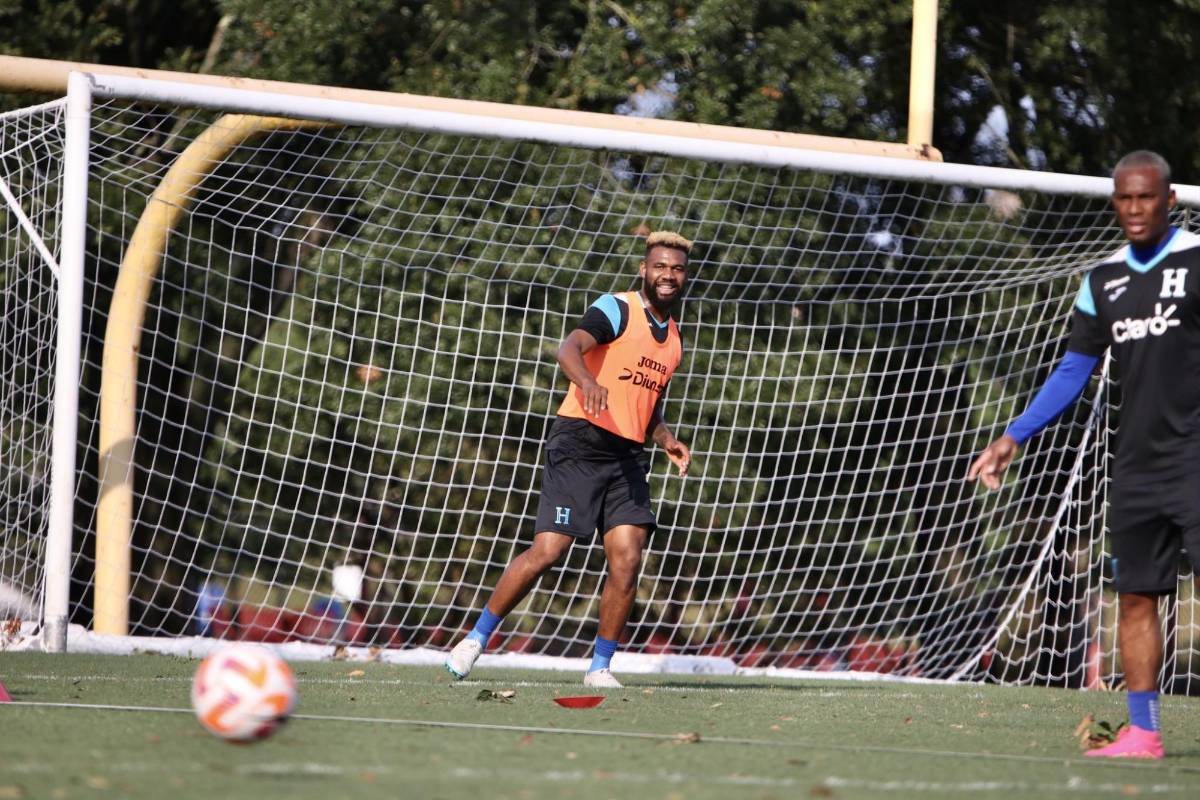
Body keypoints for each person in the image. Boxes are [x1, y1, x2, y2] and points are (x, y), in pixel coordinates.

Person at [968, 150, 1200, 760]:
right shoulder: (1103, 281)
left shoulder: (1197, 262)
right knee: (1134, 599)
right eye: (1123, 198)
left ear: (1168, 200)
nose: (1133, 209)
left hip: (1196, 460)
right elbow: (1074, 369)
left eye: (1145, 197)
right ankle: (1144, 733)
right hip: (1137, 469)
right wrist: (1013, 435)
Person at [445, 231, 693, 688]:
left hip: (627, 455)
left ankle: (599, 668)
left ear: (685, 275)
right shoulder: (617, 308)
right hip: (579, 441)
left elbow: (645, 401)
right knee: (549, 551)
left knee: (627, 560)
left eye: (676, 268)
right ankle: (475, 640)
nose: (668, 275)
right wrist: (588, 383)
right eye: (660, 266)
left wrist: (664, 437)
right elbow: (568, 349)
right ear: (644, 269)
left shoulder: (674, 340)